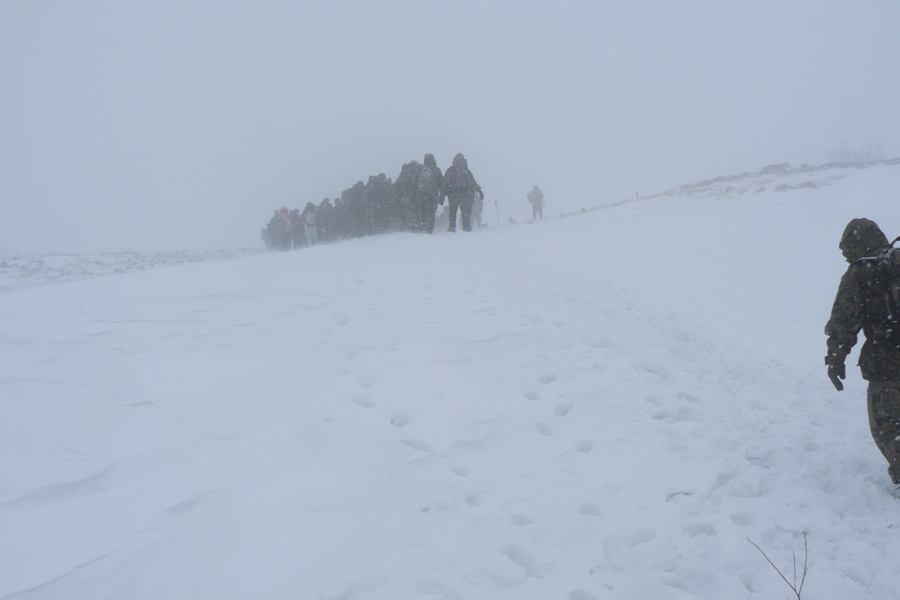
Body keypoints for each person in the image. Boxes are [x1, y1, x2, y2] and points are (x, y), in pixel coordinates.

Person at [825, 218, 900, 485]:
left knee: (887, 425)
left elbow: (844, 321)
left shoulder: (862, 272)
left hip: (888, 363)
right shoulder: (895, 262)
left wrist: (835, 359)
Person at [444, 153, 483, 232]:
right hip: (465, 195)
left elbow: (444, 183)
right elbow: (472, 182)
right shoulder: (466, 171)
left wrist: (444, 193)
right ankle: (467, 228)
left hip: (453, 195)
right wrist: (479, 190)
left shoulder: (451, 170)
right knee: (466, 213)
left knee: (452, 211)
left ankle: (452, 227)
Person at [416, 154, 445, 234]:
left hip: (422, 195)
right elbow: (441, 184)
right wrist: (442, 196)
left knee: (422, 211)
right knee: (431, 212)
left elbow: (415, 184)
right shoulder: (436, 170)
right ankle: (429, 229)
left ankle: (421, 227)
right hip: (432, 195)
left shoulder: (421, 170)